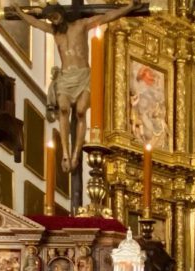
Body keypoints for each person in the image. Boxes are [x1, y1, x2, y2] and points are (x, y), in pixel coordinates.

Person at [11, 0, 139, 173]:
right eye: (50, 19)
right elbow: (35, 22)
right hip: (65, 78)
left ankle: (76, 154)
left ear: (61, 13)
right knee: (63, 109)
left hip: (83, 76)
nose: (54, 21)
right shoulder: (54, 32)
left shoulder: (81, 25)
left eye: (55, 16)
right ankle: (65, 152)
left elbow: (107, 16)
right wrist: (20, 13)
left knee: (80, 111)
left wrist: (128, 8)